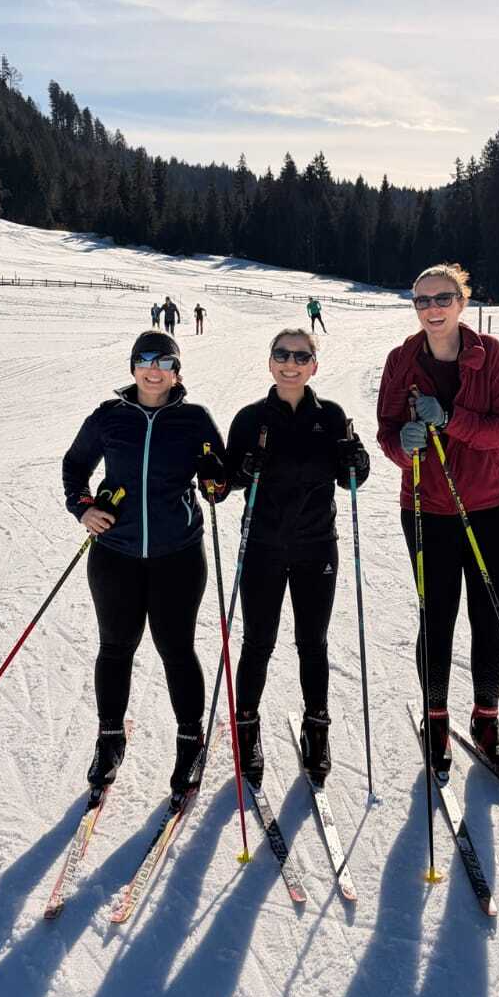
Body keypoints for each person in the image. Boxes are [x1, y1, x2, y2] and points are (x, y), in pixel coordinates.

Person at [61, 330, 229, 800]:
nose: (154, 370)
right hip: (116, 553)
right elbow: (75, 465)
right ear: (133, 366)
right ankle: (109, 739)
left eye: (164, 362)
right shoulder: (110, 417)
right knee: (115, 648)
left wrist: (218, 483)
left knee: (176, 649)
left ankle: (189, 740)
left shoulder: (194, 418)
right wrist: (83, 507)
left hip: (177, 554)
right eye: (145, 360)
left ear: (177, 371)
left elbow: (220, 475)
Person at [376, 262, 499, 779]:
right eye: (422, 301)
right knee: (435, 617)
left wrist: (450, 420)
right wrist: (403, 445)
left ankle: (487, 719)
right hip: (424, 508)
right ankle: (436, 720)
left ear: (462, 302)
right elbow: (387, 432)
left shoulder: (490, 355)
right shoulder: (400, 360)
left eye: (443, 298)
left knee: (490, 615)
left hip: (489, 506)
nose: (432, 309)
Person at [225, 330, 370, 786]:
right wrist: (241, 469)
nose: (291, 363)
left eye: (301, 356)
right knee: (258, 642)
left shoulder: (330, 417)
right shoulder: (250, 419)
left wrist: (357, 460)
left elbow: (352, 480)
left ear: (314, 365)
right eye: (282, 355)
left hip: (315, 547)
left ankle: (317, 729)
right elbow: (224, 482)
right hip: (264, 546)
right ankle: (246, 730)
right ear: (270, 363)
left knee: (313, 642)